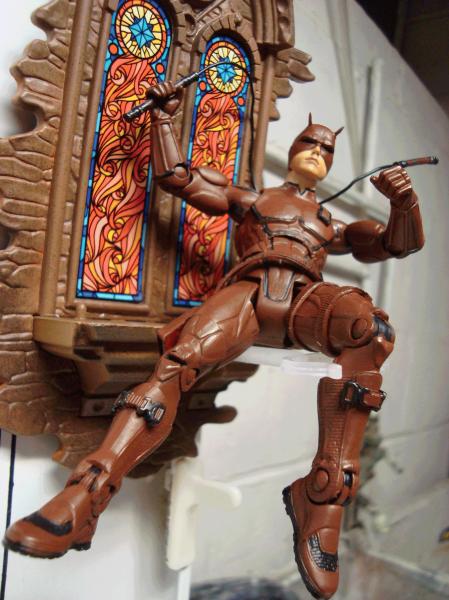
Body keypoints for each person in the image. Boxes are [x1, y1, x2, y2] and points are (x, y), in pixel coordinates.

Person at [4, 82, 424, 600]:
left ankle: (324, 496)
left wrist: (403, 203)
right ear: (293, 151)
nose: (317, 151)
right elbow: (178, 178)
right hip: (247, 292)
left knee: (371, 329)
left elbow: (394, 244)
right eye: (309, 143)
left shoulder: (330, 223)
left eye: (326, 148)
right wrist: (162, 120)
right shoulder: (256, 198)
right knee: (176, 363)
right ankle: (89, 492)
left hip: (304, 302)